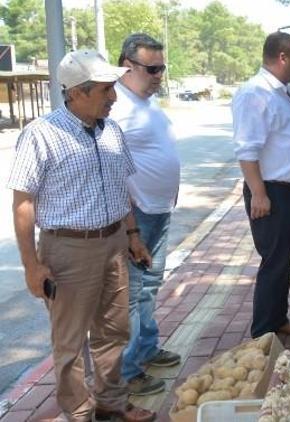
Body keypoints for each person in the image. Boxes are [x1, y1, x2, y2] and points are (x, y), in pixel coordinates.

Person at [8, 50, 155, 422]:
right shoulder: (42, 134)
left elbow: (121, 190)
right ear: (76, 92)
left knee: (113, 332)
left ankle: (111, 403)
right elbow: (23, 203)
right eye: (106, 90)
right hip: (67, 250)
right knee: (70, 342)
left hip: (113, 245)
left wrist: (133, 236)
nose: (114, 98)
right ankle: (78, 411)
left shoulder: (112, 132)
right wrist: (31, 265)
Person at [109, 33, 181, 397]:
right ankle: (128, 370)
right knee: (133, 295)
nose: (159, 75)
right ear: (127, 65)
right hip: (136, 215)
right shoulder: (116, 106)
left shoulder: (146, 103)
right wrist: (131, 227)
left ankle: (147, 347)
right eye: (152, 69)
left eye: (161, 67)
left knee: (150, 286)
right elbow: (111, 170)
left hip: (159, 209)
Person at [232, 32, 290, 338]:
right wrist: (258, 193)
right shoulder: (255, 93)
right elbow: (247, 150)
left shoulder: (281, 92)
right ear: (283, 57)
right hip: (272, 192)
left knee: (284, 261)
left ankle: (278, 318)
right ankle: (264, 333)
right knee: (274, 263)